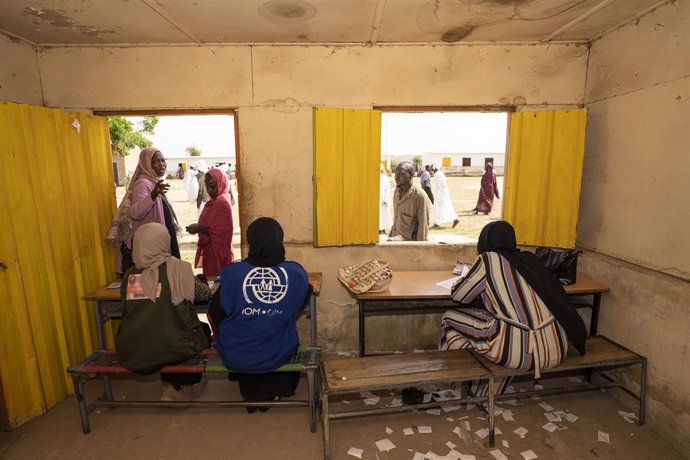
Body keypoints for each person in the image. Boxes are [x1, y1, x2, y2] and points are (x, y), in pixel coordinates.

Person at [439, 221, 587, 396]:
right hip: (555, 348)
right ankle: (486, 386)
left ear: (484, 241)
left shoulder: (488, 259)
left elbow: (460, 296)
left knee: (449, 318)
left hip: (519, 354)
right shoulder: (530, 260)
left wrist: (462, 279)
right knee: (503, 325)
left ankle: (458, 384)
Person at [208, 217, 312, 413]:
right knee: (279, 332)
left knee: (248, 334)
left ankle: (251, 394)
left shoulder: (232, 273)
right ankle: (272, 392)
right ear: (278, 240)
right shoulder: (294, 273)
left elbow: (214, 313)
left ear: (251, 241)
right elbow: (302, 297)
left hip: (236, 355)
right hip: (277, 354)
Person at [115, 223, 211, 402]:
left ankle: (172, 387)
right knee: (201, 331)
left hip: (137, 348)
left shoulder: (130, 277)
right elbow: (203, 294)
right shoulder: (178, 269)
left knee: (161, 329)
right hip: (173, 344)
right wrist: (201, 282)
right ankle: (191, 382)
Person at [107, 147, 180, 276]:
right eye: (156, 161)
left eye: (163, 160)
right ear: (146, 164)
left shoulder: (153, 182)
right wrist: (153, 194)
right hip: (145, 251)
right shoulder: (143, 183)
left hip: (153, 248)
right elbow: (135, 212)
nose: (161, 164)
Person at [186, 168, 235, 277]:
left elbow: (221, 233)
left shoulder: (221, 203)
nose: (209, 190)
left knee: (217, 286)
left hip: (218, 254)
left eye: (213, 187)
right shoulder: (216, 201)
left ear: (221, 183)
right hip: (213, 252)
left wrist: (199, 228)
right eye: (207, 187)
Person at [389, 161, 431, 241]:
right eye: (396, 173)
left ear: (411, 175)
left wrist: (421, 250)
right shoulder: (397, 192)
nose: (396, 177)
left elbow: (423, 227)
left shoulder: (420, 197)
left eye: (401, 174)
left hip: (409, 248)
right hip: (395, 245)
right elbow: (396, 221)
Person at [430, 164, 459, 229]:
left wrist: (438, 191)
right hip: (441, 194)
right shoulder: (439, 173)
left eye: (432, 167)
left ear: (435, 167)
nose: (431, 168)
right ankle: (454, 219)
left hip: (440, 195)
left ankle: (437, 223)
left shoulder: (437, 174)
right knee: (445, 208)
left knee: (439, 209)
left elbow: (442, 185)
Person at [379, 166, 393, 234]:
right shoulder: (381, 177)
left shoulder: (384, 178)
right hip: (380, 200)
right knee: (380, 214)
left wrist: (386, 199)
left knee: (383, 215)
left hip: (383, 200)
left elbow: (387, 189)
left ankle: (382, 229)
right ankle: (380, 229)